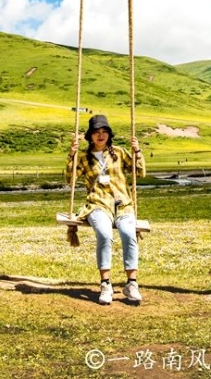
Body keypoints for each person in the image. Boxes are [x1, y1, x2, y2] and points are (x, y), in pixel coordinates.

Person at [67, 114, 146, 305]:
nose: (100, 135)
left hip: (122, 204)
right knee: (104, 234)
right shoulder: (84, 158)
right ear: (90, 136)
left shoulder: (118, 152)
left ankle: (132, 284)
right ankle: (105, 284)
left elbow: (139, 172)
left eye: (104, 132)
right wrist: (71, 156)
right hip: (97, 205)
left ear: (109, 135)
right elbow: (70, 180)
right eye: (96, 132)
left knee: (128, 234)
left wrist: (138, 152)